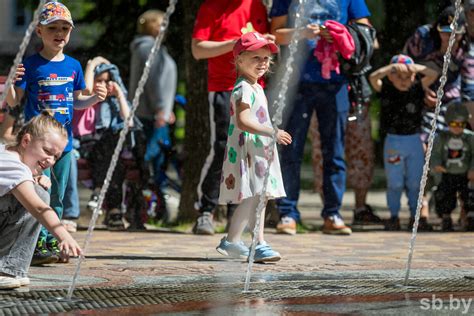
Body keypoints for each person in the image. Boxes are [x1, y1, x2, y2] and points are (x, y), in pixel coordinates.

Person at [5, 1, 106, 264]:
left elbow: (77, 101)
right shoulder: (31, 64)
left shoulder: (72, 66)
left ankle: (55, 239)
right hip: (38, 146)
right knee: (40, 191)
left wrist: (94, 98)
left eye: (65, 28)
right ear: (39, 32)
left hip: (64, 145)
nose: (59, 33)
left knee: (58, 194)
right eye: (53, 28)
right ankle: (37, 240)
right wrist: (12, 83)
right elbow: (16, 102)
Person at [269, 0, 372, 235]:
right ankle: (287, 213)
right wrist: (302, 33)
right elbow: (274, 34)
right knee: (290, 150)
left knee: (334, 152)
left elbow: (365, 31)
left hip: (335, 82)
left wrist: (338, 34)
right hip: (296, 83)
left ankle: (333, 214)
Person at [191, 0, 274, 235]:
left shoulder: (258, 5)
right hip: (223, 87)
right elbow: (198, 50)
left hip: (256, 88)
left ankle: (235, 217)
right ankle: (206, 210)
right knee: (222, 147)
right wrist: (235, 45)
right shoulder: (211, 7)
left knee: (250, 151)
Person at [216, 32, 291, 262]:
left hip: (258, 149)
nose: (262, 63)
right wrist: (272, 131)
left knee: (256, 197)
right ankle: (258, 243)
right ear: (239, 60)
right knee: (257, 196)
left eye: (266, 59)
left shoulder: (255, 87)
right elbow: (243, 120)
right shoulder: (243, 88)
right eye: (256, 58)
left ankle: (232, 241)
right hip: (250, 148)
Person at [0, 112, 82, 289]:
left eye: (56, 157)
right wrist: (63, 236)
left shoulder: (8, 154)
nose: (51, 160)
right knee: (40, 196)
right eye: (47, 151)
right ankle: (5, 269)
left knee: (38, 191)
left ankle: (11, 268)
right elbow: (38, 207)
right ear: (26, 141)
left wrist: (33, 179)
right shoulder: (14, 167)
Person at [369, 54, 438, 231]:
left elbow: (433, 74)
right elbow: (373, 77)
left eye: (407, 77)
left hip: (414, 140)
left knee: (415, 182)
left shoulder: (417, 88)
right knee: (395, 183)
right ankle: (393, 215)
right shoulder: (385, 88)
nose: (403, 80)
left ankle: (416, 217)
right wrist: (390, 68)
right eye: (398, 76)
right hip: (393, 142)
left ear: (414, 77)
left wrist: (414, 68)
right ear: (391, 76)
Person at [85, 57, 147, 230]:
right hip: (89, 147)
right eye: (99, 81)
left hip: (112, 152)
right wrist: (92, 65)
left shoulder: (115, 103)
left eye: (107, 81)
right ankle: (113, 211)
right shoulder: (88, 100)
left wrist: (119, 95)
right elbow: (85, 93)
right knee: (109, 147)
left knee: (117, 161)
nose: (104, 84)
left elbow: (129, 123)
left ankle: (108, 203)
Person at [129, 9, 177, 218]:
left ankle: (149, 208)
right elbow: (153, 82)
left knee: (152, 160)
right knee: (151, 160)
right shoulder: (148, 48)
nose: (164, 28)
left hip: (156, 113)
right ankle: (146, 208)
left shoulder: (149, 48)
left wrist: (167, 109)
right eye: (160, 24)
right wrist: (160, 109)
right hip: (151, 116)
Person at [431, 102, 474, 231]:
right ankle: (446, 217)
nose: (457, 128)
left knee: (469, 196)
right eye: (453, 124)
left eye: (461, 124)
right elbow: (435, 153)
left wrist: (472, 168)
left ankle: (470, 217)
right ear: (448, 123)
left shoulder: (470, 137)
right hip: (447, 173)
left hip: (465, 173)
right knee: (445, 195)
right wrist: (436, 165)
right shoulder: (442, 137)